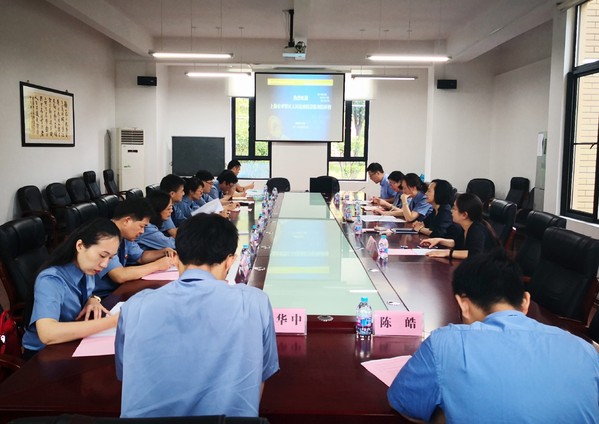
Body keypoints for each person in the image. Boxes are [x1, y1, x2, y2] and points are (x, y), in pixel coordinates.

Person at [388, 250, 599, 423]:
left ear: (463, 304)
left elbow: (404, 404)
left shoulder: (444, 344)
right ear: (525, 301)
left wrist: (444, 416)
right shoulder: (585, 350)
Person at [116, 213, 280, 418]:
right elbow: (260, 375)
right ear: (230, 261)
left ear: (176, 257)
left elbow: (126, 375)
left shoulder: (135, 306)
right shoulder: (254, 302)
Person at [22, 218, 121, 357]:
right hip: (44, 353)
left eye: (111, 258)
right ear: (80, 246)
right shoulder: (51, 279)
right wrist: (113, 321)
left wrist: (93, 299)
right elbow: (47, 333)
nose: (105, 264)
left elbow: (84, 293)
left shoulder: (86, 268)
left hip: (72, 342)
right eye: (102, 255)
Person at [93, 199, 177, 297]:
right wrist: (157, 265)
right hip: (101, 296)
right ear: (127, 221)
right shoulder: (106, 236)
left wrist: (162, 252)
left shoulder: (125, 236)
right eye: (141, 226)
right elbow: (119, 275)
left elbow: (141, 256)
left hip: (118, 289)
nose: (142, 231)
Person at [420, 192, 500, 259]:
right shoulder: (466, 226)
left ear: (464, 215)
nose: (451, 211)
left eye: (454, 209)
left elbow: (474, 254)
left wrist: (447, 253)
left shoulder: (477, 229)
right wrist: (438, 240)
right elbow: (457, 243)